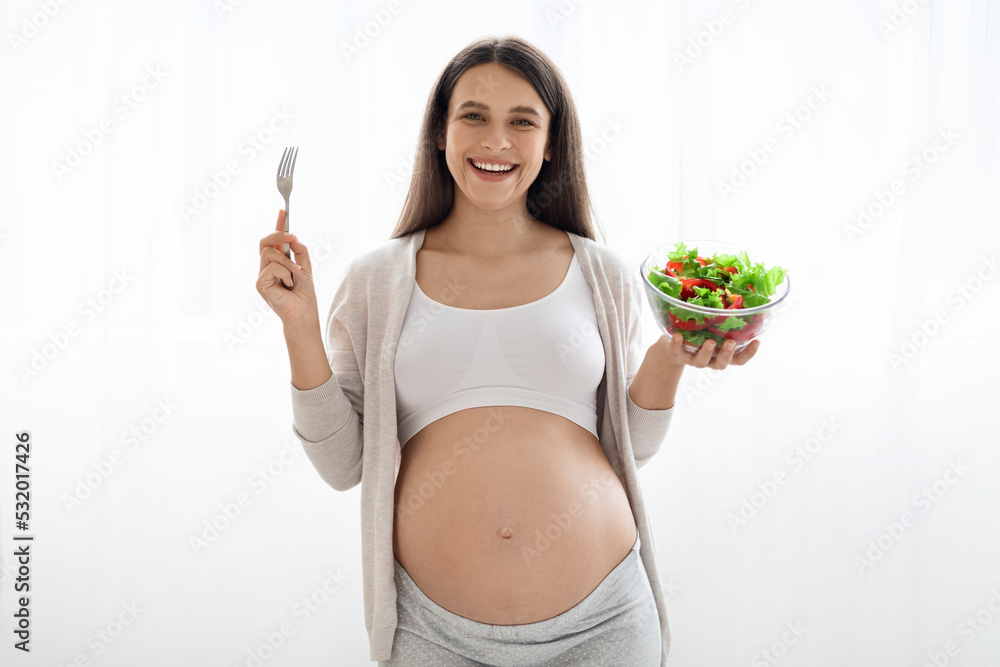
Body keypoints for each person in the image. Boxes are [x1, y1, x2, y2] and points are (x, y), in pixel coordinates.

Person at [256, 35, 758, 667]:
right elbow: (341, 465)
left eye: (522, 122)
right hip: (434, 634)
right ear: (440, 134)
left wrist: (668, 359)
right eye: (474, 117)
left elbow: (632, 446)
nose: (496, 141)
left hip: (602, 624)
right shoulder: (376, 281)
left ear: (550, 146)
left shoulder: (600, 272)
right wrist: (299, 326)